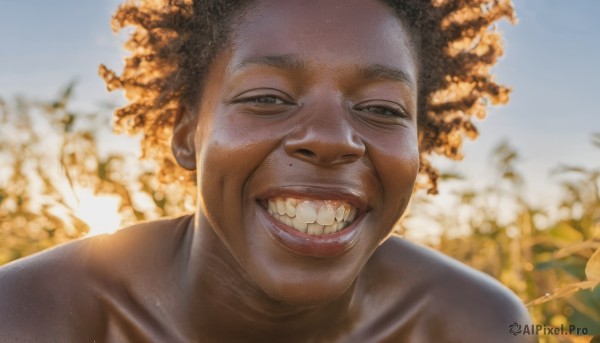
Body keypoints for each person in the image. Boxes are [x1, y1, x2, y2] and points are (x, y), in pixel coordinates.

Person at [0, 0, 535, 341]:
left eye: (382, 109)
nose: (329, 138)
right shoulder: (30, 318)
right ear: (187, 134)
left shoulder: (474, 326)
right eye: (267, 97)